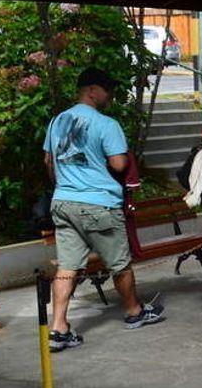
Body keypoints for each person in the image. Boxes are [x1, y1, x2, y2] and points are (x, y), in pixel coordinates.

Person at [42, 67, 165, 351]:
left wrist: (65, 184)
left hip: (63, 201)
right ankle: (134, 311)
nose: (109, 96)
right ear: (92, 91)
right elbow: (119, 165)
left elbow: (48, 161)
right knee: (120, 263)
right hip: (99, 204)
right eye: (106, 91)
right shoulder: (106, 124)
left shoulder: (57, 121)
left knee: (67, 266)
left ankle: (59, 327)